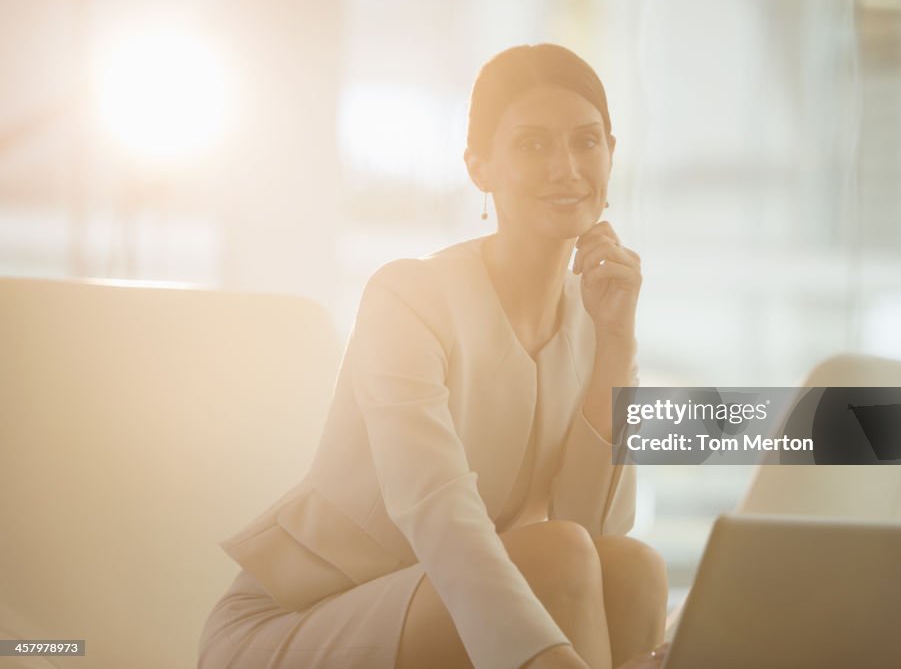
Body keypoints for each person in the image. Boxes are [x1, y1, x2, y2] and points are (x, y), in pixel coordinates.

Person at [197, 43, 669, 669]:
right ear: (479, 166)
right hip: (302, 620)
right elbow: (438, 513)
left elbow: (598, 528)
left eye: (586, 142)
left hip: (452, 607)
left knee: (630, 566)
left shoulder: (593, 314)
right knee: (555, 558)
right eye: (532, 145)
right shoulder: (409, 297)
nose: (566, 167)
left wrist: (618, 343)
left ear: (611, 153)